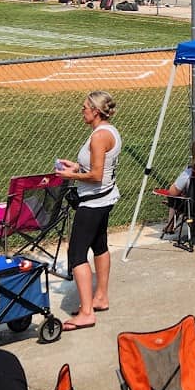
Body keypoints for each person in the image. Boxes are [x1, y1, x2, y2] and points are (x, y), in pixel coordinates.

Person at [54, 90, 119, 330]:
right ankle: (100, 297)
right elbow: (96, 166)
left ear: (96, 111)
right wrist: (77, 165)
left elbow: (96, 175)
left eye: (84, 107)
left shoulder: (99, 136)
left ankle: (86, 312)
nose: (82, 111)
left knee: (76, 254)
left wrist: (71, 174)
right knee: (100, 245)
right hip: (105, 198)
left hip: (93, 202)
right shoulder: (109, 131)